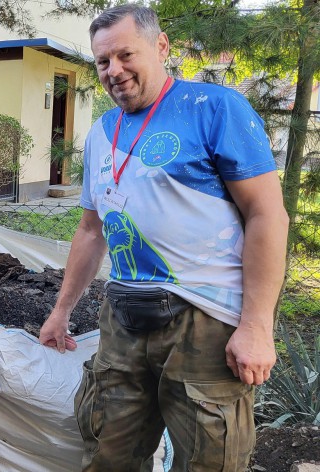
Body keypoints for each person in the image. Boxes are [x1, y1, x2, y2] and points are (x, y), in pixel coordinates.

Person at [38, 5, 289, 471]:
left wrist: (256, 325)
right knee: (108, 453)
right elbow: (91, 230)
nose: (114, 71)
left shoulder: (214, 109)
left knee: (209, 461)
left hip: (205, 321)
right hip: (122, 317)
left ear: (161, 46)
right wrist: (61, 311)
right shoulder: (101, 133)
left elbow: (268, 216)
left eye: (125, 55)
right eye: (102, 62)